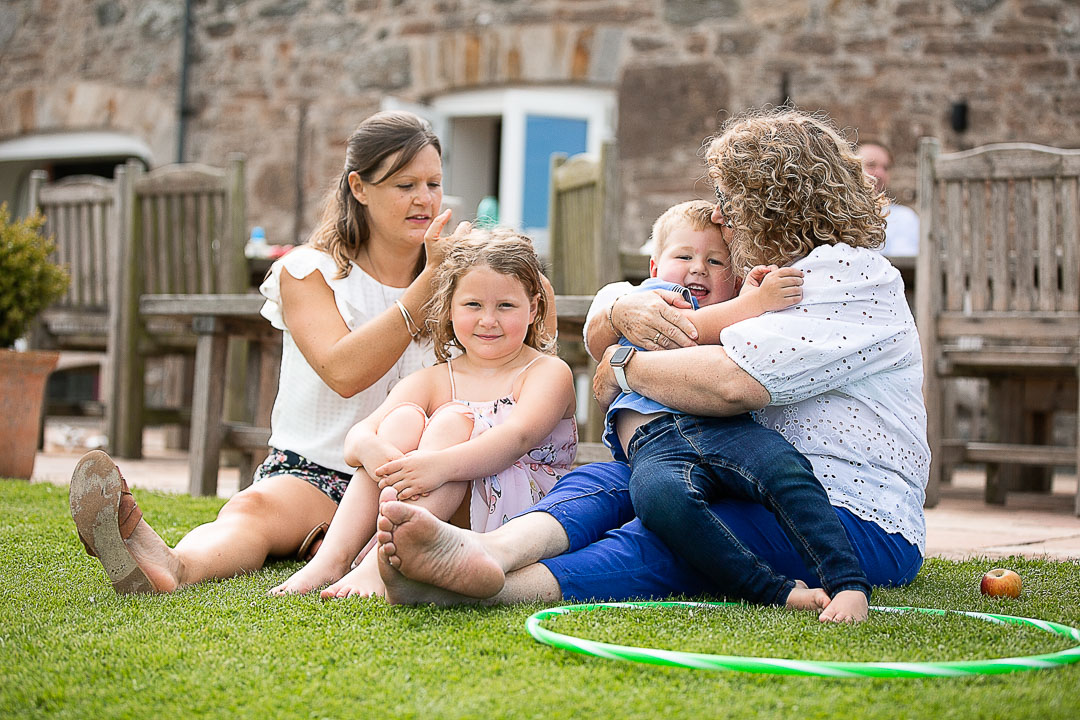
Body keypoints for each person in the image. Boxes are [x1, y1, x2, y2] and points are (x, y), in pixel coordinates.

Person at [370, 107, 929, 625]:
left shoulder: (848, 276)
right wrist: (619, 307)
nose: (719, 215)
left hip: (848, 518)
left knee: (671, 529)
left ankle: (490, 588)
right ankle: (489, 550)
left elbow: (733, 386)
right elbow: (615, 322)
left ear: (774, 201)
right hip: (740, 479)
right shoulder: (767, 277)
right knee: (610, 480)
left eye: (731, 202)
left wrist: (624, 362)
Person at [67, 110, 539, 594]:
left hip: (425, 476)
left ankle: (373, 554)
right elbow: (344, 371)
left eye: (433, 183)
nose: (424, 199)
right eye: (404, 185)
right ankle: (172, 565)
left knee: (450, 506)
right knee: (252, 510)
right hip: (314, 474)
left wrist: (469, 273)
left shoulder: (465, 286)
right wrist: (428, 282)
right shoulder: (307, 272)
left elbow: (526, 309)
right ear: (359, 187)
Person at [596, 200, 869, 618]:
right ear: (654, 268)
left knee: (787, 470)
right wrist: (757, 302)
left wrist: (748, 295)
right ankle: (769, 589)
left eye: (715, 261)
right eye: (683, 256)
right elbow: (690, 331)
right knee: (662, 502)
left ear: (735, 273)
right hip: (656, 439)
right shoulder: (651, 302)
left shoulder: (734, 309)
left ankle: (847, 582)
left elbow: (731, 330)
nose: (698, 268)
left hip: (725, 426)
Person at [269, 230, 577, 598]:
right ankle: (330, 561)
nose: (488, 320)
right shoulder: (435, 377)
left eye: (506, 306)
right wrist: (380, 454)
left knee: (450, 423)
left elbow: (516, 439)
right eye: (473, 305)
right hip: (435, 500)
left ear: (535, 308)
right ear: (449, 308)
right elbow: (358, 437)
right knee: (401, 421)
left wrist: (437, 466)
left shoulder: (547, 372)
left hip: (518, 517)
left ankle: (376, 568)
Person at [857, 141, 920, 257]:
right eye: (871, 165)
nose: (880, 174)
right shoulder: (835, 216)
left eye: (885, 168)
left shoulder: (905, 218)